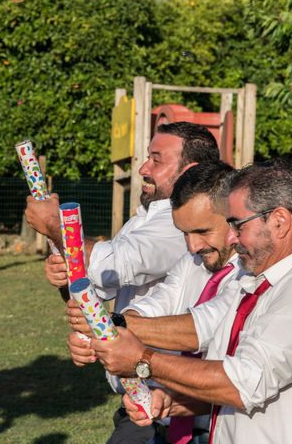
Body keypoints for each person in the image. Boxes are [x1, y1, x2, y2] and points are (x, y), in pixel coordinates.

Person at [91, 159, 292, 443]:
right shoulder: (255, 285)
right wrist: (172, 402)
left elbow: (241, 383)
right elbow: (234, 387)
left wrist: (143, 360)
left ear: (280, 222)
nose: (231, 238)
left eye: (237, 225)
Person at [27, 122, 221, 443]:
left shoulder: (177, 223)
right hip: (145, 404)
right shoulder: (143, 221)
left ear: (192, 170)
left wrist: (52, 224)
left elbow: (116, 263)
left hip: (184, 407)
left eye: (157, 160)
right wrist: (94, 326)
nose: (144, 168)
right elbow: (101, 289)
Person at [68, 160, 241, 443]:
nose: (192, 245)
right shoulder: (191, 261)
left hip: (219, 429)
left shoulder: (251, 274)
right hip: (164, 418)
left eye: (202, 231)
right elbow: (154, 306)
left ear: (233, 219)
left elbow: (202, 329)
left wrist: (111, 325)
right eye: (184, 233)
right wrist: (97, 336)